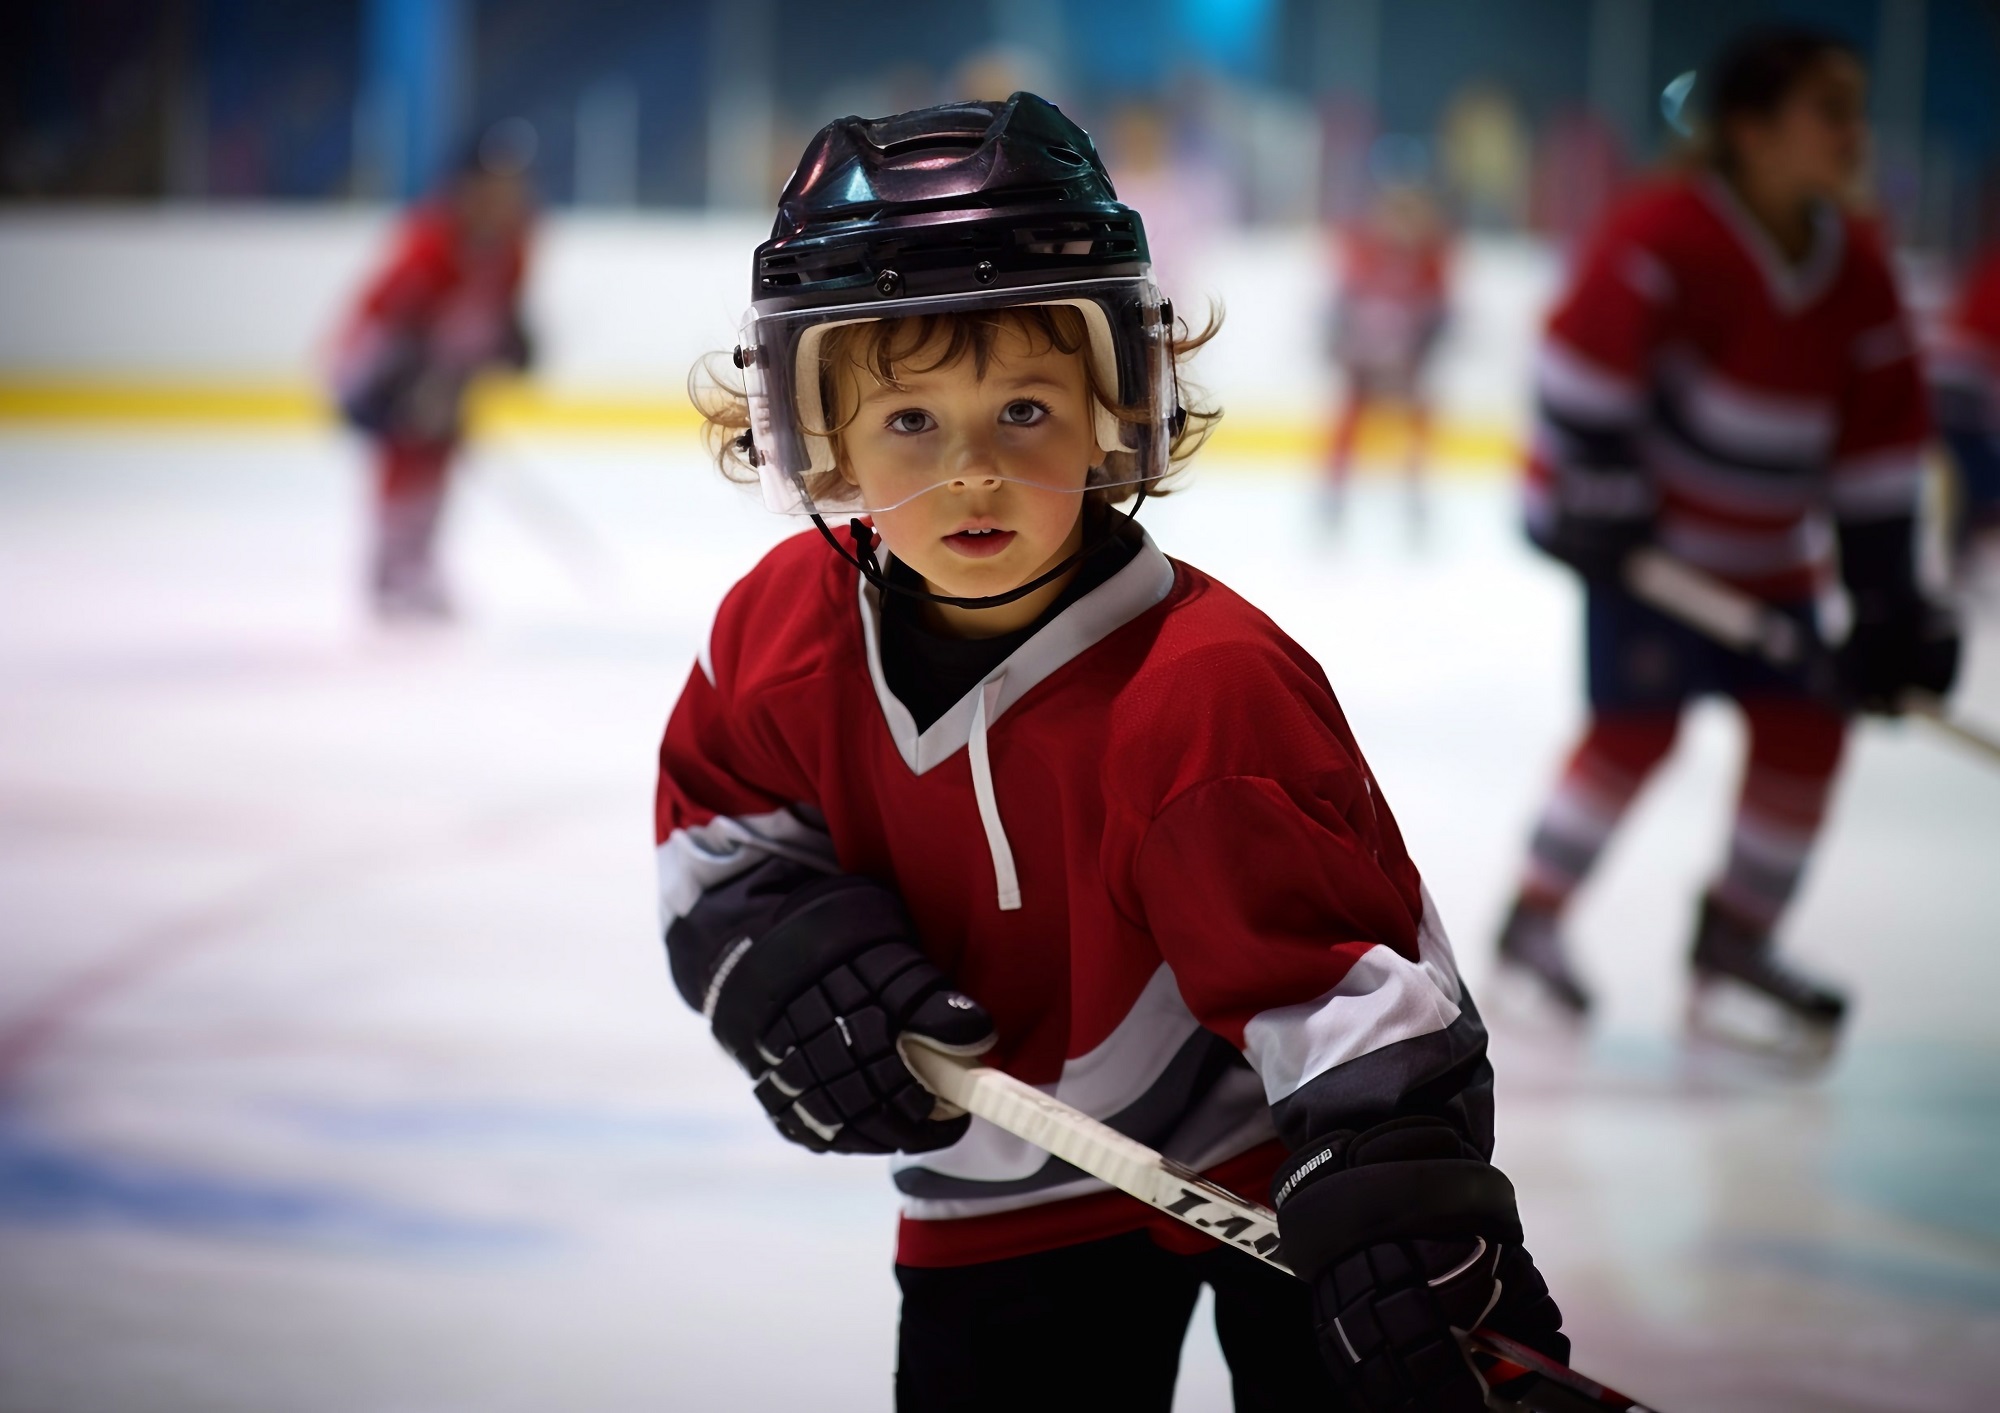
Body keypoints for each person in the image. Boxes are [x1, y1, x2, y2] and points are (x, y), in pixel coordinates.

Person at [657, 95, 1566, 1411]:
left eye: (1026, 409)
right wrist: (787, 958)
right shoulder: (778, 639)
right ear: (821, 434)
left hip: (1276, 1173)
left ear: (1115, 410)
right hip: (997, 1192)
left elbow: (1343, 976)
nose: (972, 472)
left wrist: (1397, 1193)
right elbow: (720, 829)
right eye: (911, 422)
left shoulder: (1206, 688)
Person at [1495, 29, 1960, 1054]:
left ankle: (1735, 940)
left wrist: (1888, 596)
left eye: (1853, 111)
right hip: (1655, 558)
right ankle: (1532, 915)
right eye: (1826, 112)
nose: (1851, 134)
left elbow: (1877, 445)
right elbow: (1576, 373)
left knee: (1807, 727)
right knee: (1634, 730)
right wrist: (1593, 494)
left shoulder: (1860, 270)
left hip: (1767, 560)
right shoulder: (1664, 234)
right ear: (1750, 132)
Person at [331, 123, 534, 620]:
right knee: (408, 453)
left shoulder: (512, 248)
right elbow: (385, 316)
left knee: (438, 454)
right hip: (388, 365)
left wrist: (510, 342)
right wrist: (396, 380)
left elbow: (497, 315)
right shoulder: (430, 243)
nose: (503, 198)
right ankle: (392, 569)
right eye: (492, 185)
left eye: (511, 186)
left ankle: (416, 562)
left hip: (446, 365)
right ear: (465, 188)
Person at [1323, 178, 1452, 528]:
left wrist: (1419, 357)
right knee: (1348, 420)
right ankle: (1332, 497)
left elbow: (1440, 317)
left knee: (1418, 421)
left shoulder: (1431, 261)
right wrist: (1345, 350)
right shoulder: (1361, 253)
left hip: (1408, 364)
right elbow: (1337, 311)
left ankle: (1415, 493)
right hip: (1363, 363)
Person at [1927, 242, 2000, 588]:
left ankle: (1961, 556)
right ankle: (1963, 559)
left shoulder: (1989, 264)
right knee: (1976, 476)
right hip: (1967, 383)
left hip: (1953, 376)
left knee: (1966, 475)